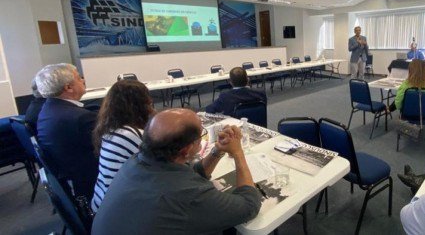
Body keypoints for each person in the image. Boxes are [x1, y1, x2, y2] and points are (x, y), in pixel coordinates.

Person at [91, 109, 261, 234]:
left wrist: (217, 151)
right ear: (186, 150)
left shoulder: (136, 162)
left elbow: (192, 174)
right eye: (201, 135)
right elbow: (249, 205)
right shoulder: (188, 194)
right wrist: (238, 152)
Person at [35, 63, 98, 200]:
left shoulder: (48, 110)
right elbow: (110, 144)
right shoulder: (79, 118)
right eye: (78, 78)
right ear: (68, 87)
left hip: (72, 175)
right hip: (92, 181)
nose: (83, 80)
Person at [90, 80, 155, 213]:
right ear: (141, 105)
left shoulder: (111, 128)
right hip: (117, 210)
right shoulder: (130, 134)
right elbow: (162, 167)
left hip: (103, 201)